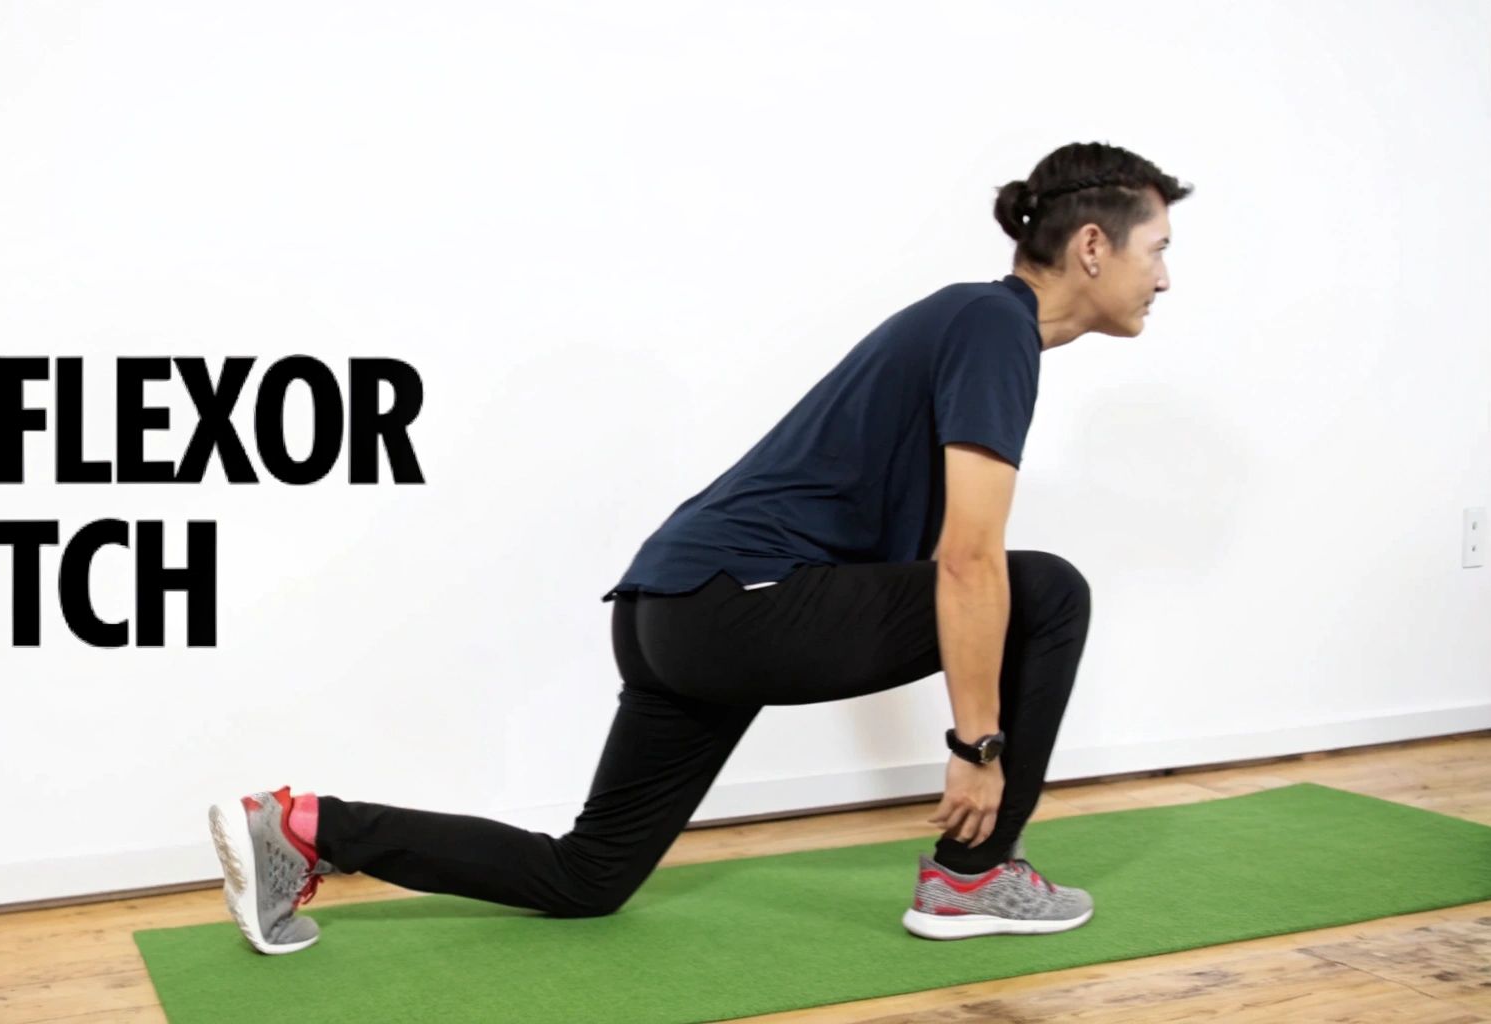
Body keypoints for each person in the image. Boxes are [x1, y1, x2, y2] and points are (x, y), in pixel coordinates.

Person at [207, 140, 1191, 952]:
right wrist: (977, 747)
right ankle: (971, 877)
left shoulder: (970, 323)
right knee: (1049, 590)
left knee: (587, 876)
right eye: (1156, 248)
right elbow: (970, 561)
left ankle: (302, 826)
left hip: (673, 608)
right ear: (1091, 246)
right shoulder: (991, 325)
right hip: (737, 601)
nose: (1164, 276)